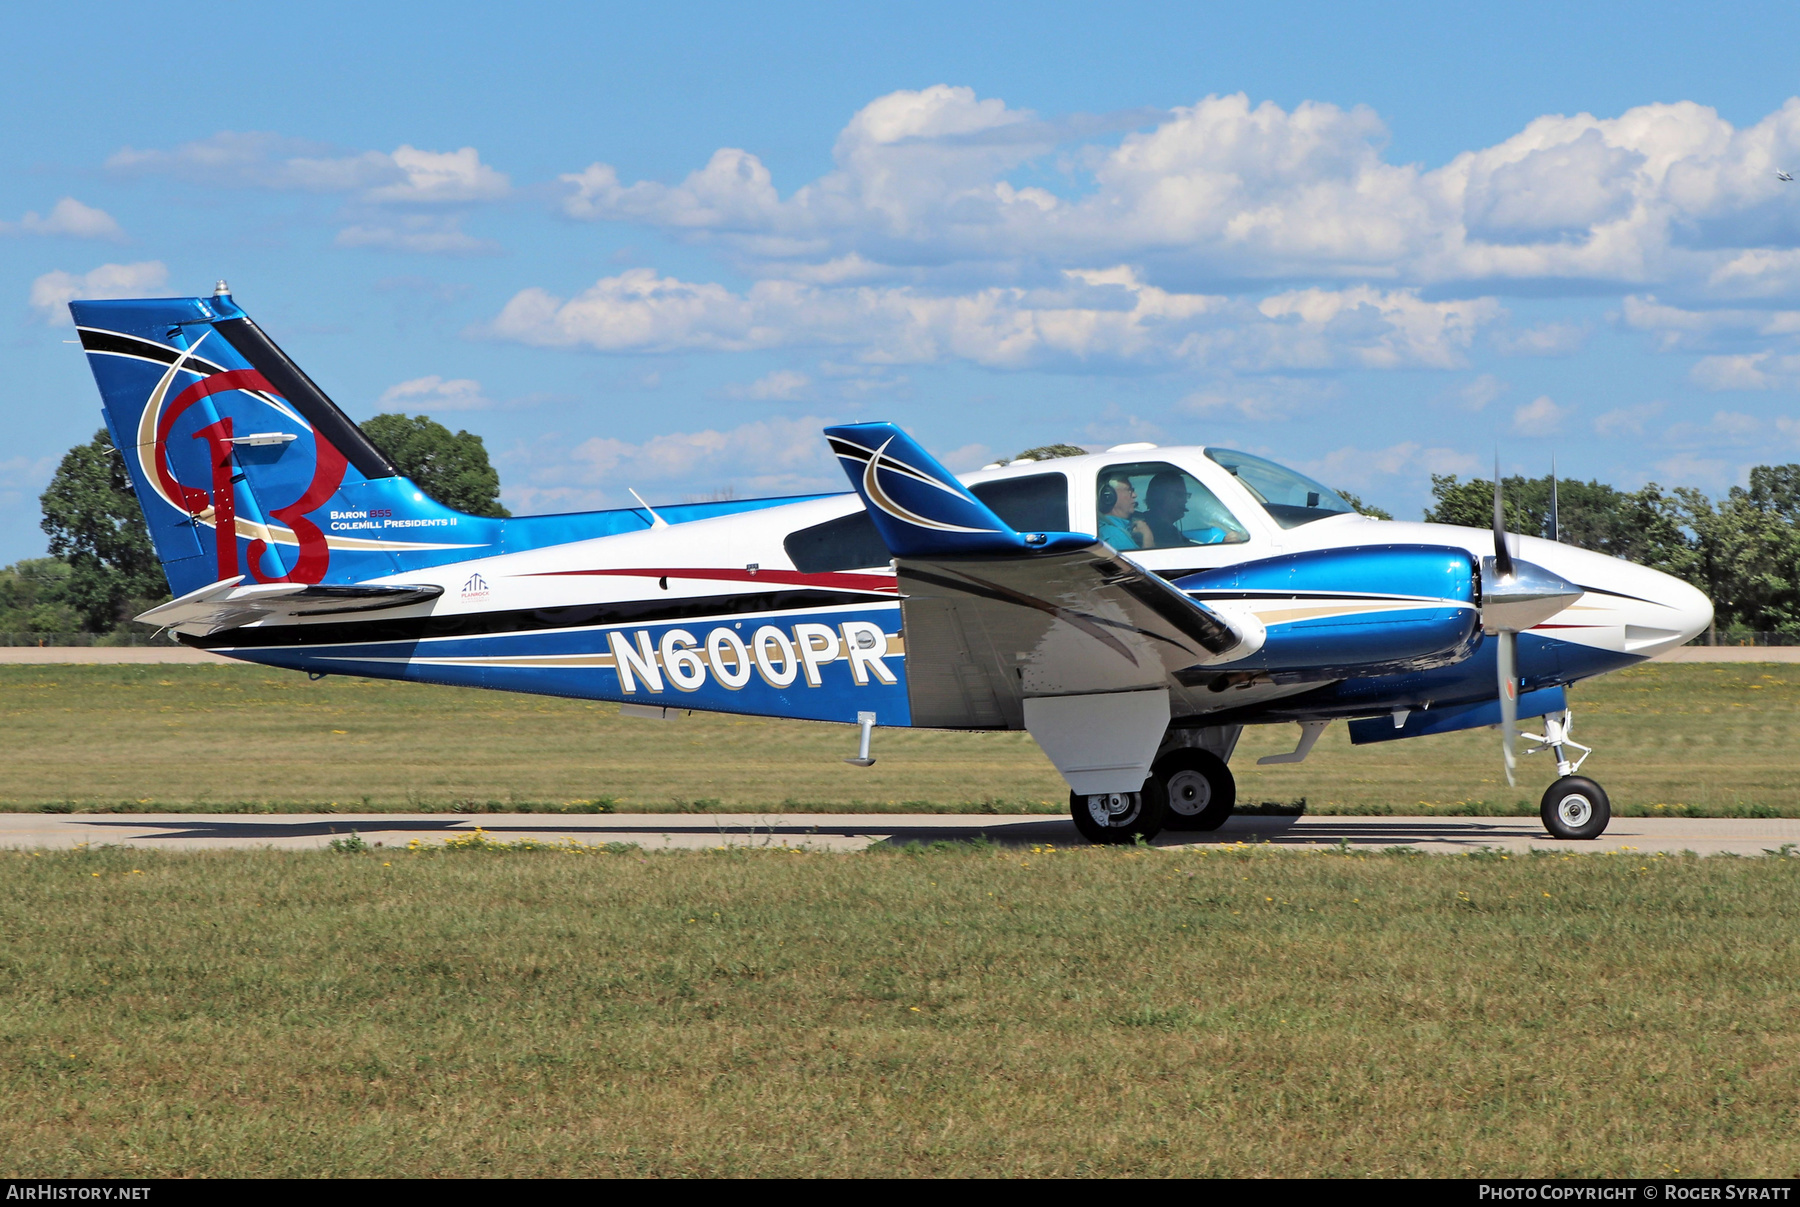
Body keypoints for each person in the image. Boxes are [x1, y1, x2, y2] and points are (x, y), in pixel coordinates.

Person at [1097, 475, 1150, 549]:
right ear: (1109, 496)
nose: (1134, 495)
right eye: (1129, 490)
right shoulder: (1115, 536)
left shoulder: (1119, 530)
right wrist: (1147, 539)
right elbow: (1144, 560)